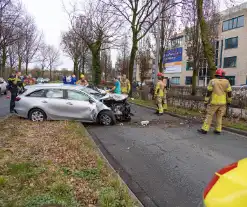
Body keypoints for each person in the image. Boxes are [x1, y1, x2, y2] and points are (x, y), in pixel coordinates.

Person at [198, 68, 232, 135]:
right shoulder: (227, 82)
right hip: (223, 103)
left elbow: (209, 92)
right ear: (223, 74)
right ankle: (218, 130)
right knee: (219, 116)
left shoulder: (212, 81)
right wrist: (229, 101)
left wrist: (206, 101)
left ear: (216, 74)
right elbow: (229, 92)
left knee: (209, 115)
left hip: (214, 102)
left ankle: (204, 129)